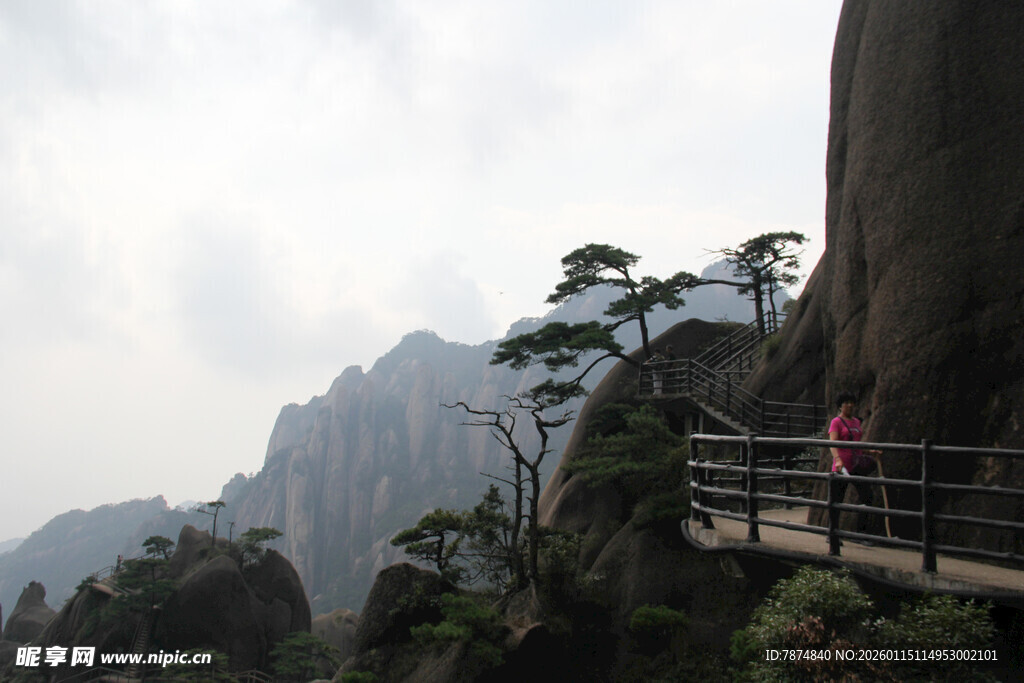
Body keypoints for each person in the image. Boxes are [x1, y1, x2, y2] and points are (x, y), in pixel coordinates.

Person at [829, 392, 883, 507]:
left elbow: (856, 444)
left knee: (867, 497)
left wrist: (870, 452)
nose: (850, 405)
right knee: (836, 501)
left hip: (856, 464)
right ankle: (834, 525)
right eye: (846, 403)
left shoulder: (857, 421)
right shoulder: (836, 422)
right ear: (840, 406)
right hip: (842, 466)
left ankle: (861, 525)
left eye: (852, 403)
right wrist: (837, 459)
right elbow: (832, 442)